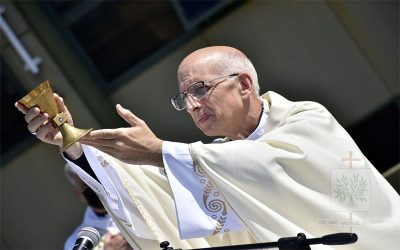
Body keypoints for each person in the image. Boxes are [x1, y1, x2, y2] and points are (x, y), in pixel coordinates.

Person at [16, 46, 400, 250]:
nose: (194, 105)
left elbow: (267, 166)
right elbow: (156, 198)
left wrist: (160, 151)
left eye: (201, 90)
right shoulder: (217, 160)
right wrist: (72, 139)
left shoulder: (305, 120)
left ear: (244, 84)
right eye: (185, 98)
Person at [63, 163, 132, 250]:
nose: (95, 188)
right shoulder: (76, 243)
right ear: (78, 194)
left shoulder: (137, 209)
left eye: (96, 180)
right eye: (86, 185)